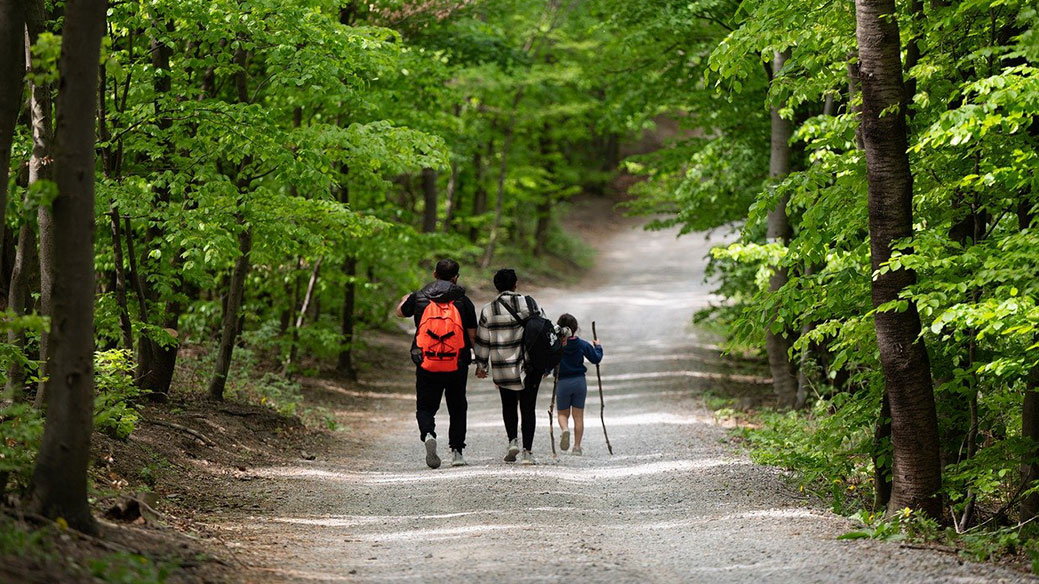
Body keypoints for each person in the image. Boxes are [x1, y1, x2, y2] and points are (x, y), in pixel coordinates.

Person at [396, 259, 477, 469]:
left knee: (425, 406)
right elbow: (472, 335)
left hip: (426, 361)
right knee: (458, 406)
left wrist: (406, 298)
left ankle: (429, 433)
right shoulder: (462, 300)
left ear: (434, 274)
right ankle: (457, 452)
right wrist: (480, 360)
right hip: (457, 362)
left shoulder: (420, 296)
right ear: (456, 277)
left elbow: (399, 312)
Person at [474, 268, 549, 465]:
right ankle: (527, 452)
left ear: (496, 286)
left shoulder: (488, 310)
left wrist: (481, 365)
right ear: (515, 284)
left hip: (502, 368)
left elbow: (482, 341)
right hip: (529, 366)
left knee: (508, 405)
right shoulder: (529, 304)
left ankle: (512, 441)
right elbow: (544, 329)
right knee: (528, 408)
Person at [555, 314, 603, 456]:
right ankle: (576, 447)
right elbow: (596, 358)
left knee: (563, 414)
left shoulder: (557, 346)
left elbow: (549, 362)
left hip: (562, 382)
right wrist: (598, 346)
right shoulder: (581, 344)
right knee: (578, 416)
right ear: (575, 329)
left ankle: (565, 429)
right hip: (579, 382)